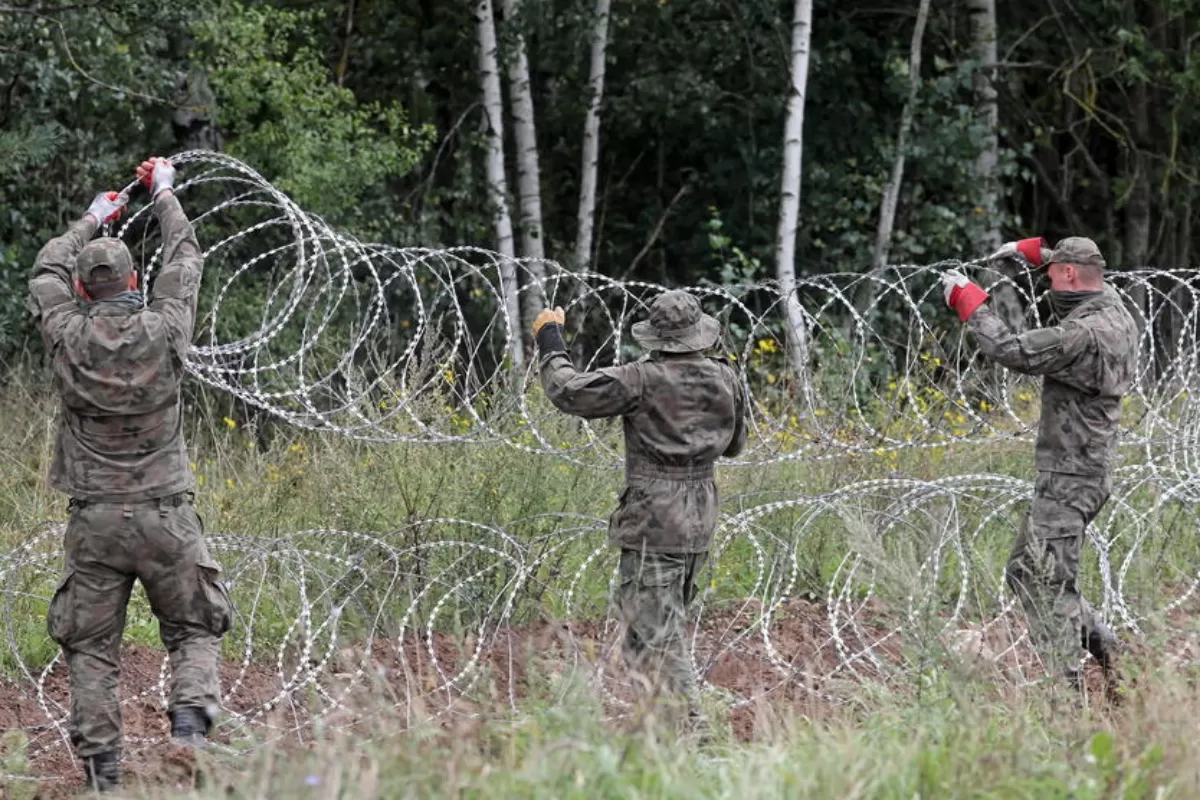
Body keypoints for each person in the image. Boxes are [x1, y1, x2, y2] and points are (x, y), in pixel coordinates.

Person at [28, 158, 233, 792]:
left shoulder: (65, 331)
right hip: (166, 512)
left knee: (91, 650)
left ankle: (104, 771)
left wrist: (94, 215)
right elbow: (186, 254)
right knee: (194, 626)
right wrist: (163, 191)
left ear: (83, 289)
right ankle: (191, 730)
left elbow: (44, 269)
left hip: (95, 522)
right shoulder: (166, 325)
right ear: (134, 278)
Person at [532, 290, 747, 732]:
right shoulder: (728, 377)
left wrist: (550, 338)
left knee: (657, 634)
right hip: (701, 511)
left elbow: (568, 392)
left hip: (654, 516)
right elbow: (736, 446)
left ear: (657, 338)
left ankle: (691, 733)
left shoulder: (640, 378)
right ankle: (659, 730)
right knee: (642, 630)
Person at [942, 236, 1136, 696]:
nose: (1048, 277)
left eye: (1054, 272)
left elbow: (1013, 350)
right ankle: (1112, 653)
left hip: (1071, 476)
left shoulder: (1083, 334)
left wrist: (970, 302)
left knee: (1048, 585)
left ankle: (1067, 697)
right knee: (1027, 573)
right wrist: (1036, 258)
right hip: (1079, 471)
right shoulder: (1112, 307)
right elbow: (1075, 282)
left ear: (1070, 275)